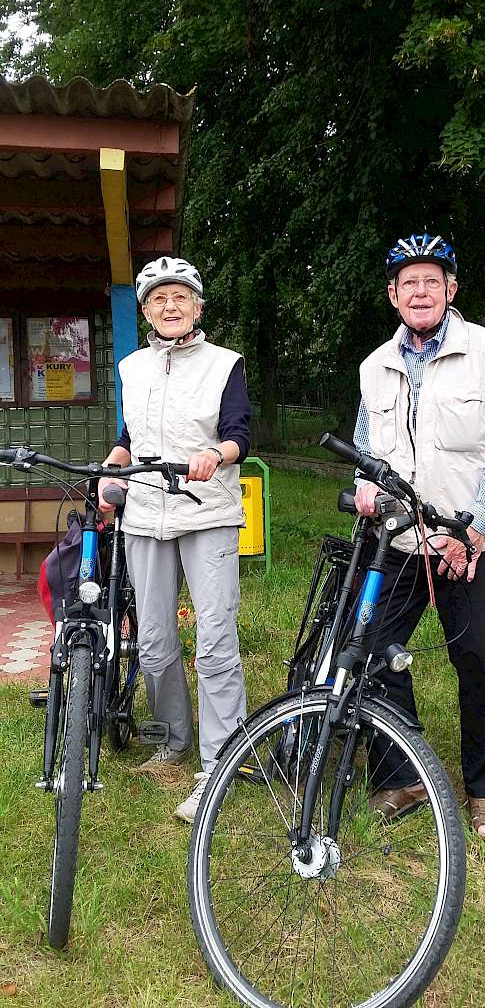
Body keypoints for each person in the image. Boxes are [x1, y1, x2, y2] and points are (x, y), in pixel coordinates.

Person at [354, 233, 485, 842]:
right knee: (375, 651)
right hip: (400, 542)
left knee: (478, 661)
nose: (421, 292)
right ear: (393, 295)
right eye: (410, 283)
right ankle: (402, 776)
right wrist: (363, 485)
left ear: (451, 290)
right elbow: (366, 452)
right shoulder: (374, 366)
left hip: (472, 542)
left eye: (433, 281)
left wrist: (475, 528)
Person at [99, 255, 251, 824]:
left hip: (206, 511)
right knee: (156, 640)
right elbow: (129, 435)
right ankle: (171, 739)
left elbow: (239, 431)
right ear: (145, 311)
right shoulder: (132, 367)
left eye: (180, 297)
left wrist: (216, 454)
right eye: (159, 299)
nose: (170, 306)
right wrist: (113, 468)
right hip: (144, 512)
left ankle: (220, 761)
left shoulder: (224, 364)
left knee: (214, 640)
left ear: (197, 307)